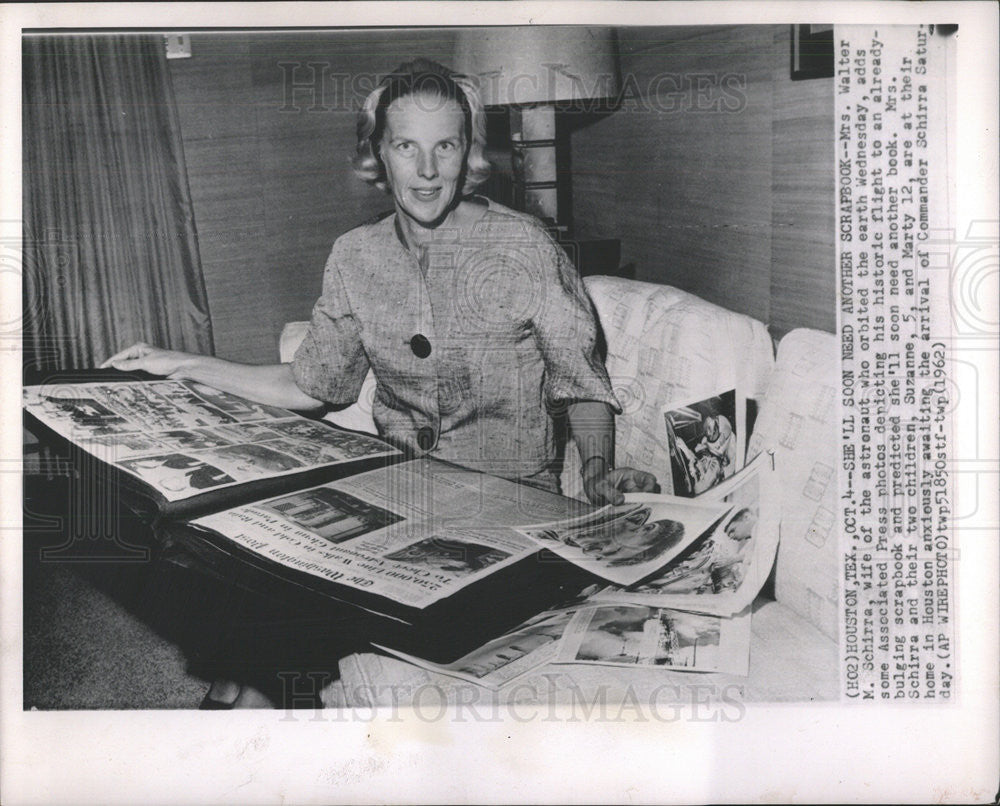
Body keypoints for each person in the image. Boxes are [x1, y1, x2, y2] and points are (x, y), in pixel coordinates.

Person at [102, 58, 658, 707]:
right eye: (406, 146)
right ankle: (239, 714)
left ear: (469, 153)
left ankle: (240, 712)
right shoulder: (355, 256)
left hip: (506, 521)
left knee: (278, 634)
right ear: (379, 154)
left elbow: (582, 383)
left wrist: (596, 468)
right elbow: (312, 385)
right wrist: (183, 364)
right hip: (396, 502)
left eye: (444, 146)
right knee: (249, 573)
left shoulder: (526, 249)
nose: (427, 171)